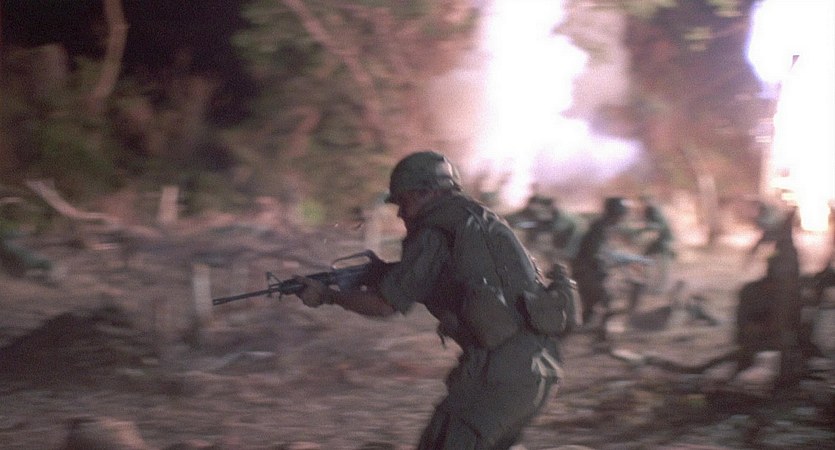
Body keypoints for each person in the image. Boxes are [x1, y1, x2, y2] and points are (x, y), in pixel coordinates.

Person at [292, 150, 570, 449]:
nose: (400, 213)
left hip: (498, 376)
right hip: (541, 369)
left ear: (428, 192)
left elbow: (385, 305)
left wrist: (328, 297)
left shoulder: (434, 230)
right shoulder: (479, 219)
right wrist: (381, 273)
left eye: (404, 201)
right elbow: (446, 276)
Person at [570, 196, 629, 336]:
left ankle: (583, 327)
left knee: (592, 304)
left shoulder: (603, 226)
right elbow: (594, 255)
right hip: (585, 272)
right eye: (620, 215)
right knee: (608, 297)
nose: (621, 218)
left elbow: (601, 253)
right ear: (614, 213)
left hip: (586, 270)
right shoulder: (600, 228)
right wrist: (607, 268)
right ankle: (603, 334)